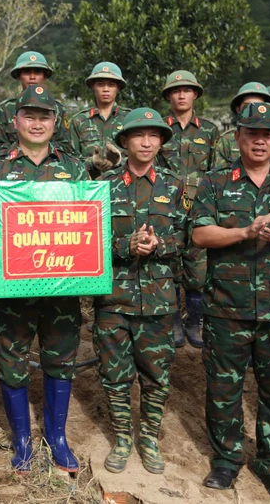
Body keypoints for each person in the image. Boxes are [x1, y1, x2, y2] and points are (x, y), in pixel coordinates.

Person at [190, 102, 270, 503]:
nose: (260, 141)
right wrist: (246, 232)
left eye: (268, 134)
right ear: (238, 137)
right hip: (226, 307)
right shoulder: (214, 182)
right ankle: (226, 460)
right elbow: (200, 234)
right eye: (252, 133)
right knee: (223, 389)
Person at [0, 85, 89, 473]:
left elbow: (89, 222)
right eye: (29, 116)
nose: (37, 124)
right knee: (11, 361)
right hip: (13, 285)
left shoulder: (74, 168)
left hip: (62, 286)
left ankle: (57, 437)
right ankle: (22, 440)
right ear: (15, 120)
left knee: (61, 360)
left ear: (56, 122)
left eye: (45, 117)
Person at [95, 108, 186, 475]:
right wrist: (124, 245)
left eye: (154, 136)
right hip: (113, 298)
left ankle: (148, 437)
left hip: (159, 300)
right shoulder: (103, 186)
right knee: (114, 375)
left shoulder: (174, 185)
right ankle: (122, 438)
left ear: (161, 142)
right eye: (138, 135)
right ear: (125, 141)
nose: (146, 142)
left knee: (156, 376)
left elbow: (187, 236)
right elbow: (88, 239)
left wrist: (160, 244)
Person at [158, 70, 218, 349]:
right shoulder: (159, 128)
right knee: (169, 266)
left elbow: (216, 172)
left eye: (186, 90)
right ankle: (174, 323)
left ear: (195, 94)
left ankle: (195, 322)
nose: (181, 95)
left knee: (198, 271)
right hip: (166, 209)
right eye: (175, 90)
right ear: (168, 96)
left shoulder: (209, 130)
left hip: (198, 211)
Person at [0, 51, 70, 154]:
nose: (32, 77)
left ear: (44, 76)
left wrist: (41, 153)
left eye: (37, 72)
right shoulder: (6, 108)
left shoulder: (57, 108)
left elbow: (65, 145)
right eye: (27, 72)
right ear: (19, 76)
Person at [213, 82, 270, 170]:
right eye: (247, 106)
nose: (253, 110)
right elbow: (219, 174)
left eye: (259, 106)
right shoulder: (226, 140)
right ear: (238, 109)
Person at [69, 61, 130, 178]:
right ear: (93, 86)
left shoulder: (130, 118)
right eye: (100, 84)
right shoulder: (79, 120)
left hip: (123, 183)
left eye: (111, 85)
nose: (106, 89)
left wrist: (119, 161)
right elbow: (70, 160)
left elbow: (141, 156)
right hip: (90, 185)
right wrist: (92, 162)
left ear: (118, 87)